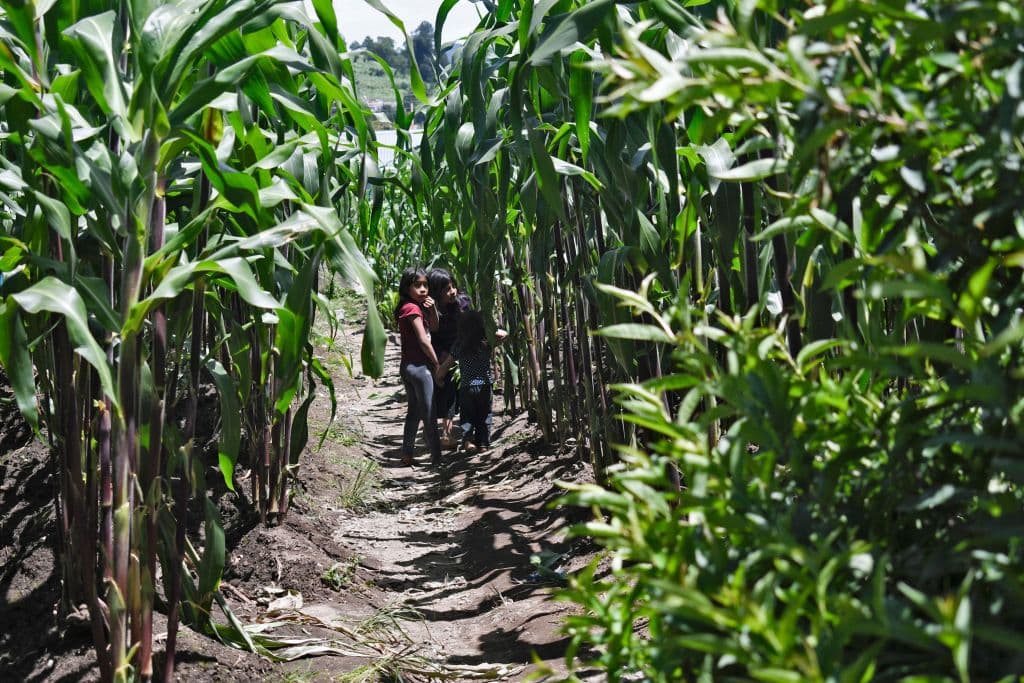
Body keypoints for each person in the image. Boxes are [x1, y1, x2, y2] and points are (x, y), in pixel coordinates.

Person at [395, 267, 442, 467]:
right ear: (407, 287)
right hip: (419, 368)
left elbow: (435, 327)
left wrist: (432, 310)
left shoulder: (412, 306)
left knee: (413, 412)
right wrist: (437, 363)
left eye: (425, 285)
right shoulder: (412, 309)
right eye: (417, 285)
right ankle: (437, 458)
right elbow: (424, 340)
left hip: (407, 366)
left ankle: (407, 454)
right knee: (429, 413)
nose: (423, 289)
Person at [441, 310, 505, 453]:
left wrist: (439, 375)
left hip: (466, 387)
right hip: (485, 385)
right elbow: (504, 335)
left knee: (468, 415)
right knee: (484, 414)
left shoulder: (459, 345)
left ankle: (468, 442)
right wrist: (489, 329)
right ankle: (483, 444)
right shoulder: (486, 342)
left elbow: (447, 364)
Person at [427, 268, 470, 448]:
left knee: (466, 393)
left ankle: (460, 435)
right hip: (441, 353)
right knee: (447, 391)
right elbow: (433, 333)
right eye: (446, 289)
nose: (452, 292)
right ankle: (445, 432)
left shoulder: (463, 303)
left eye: (453, 287)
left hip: (461, 351)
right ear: (437, 293)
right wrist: (441, 358)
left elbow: (466, 334)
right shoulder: (433, 309)